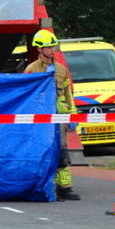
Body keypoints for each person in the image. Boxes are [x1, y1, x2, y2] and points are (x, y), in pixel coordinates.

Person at [24, 29, 80, 201]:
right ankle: (46, 186)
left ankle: (65, 187)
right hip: (41, 120)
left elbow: (68, 94)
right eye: (48, 47)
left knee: (62, 153)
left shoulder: (61, 70)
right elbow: (26, 95)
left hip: (60, 119)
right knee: (45, 151)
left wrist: (72, 114)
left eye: (53, 46)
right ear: (39, 49)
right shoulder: (31, 70)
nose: (52, 49)